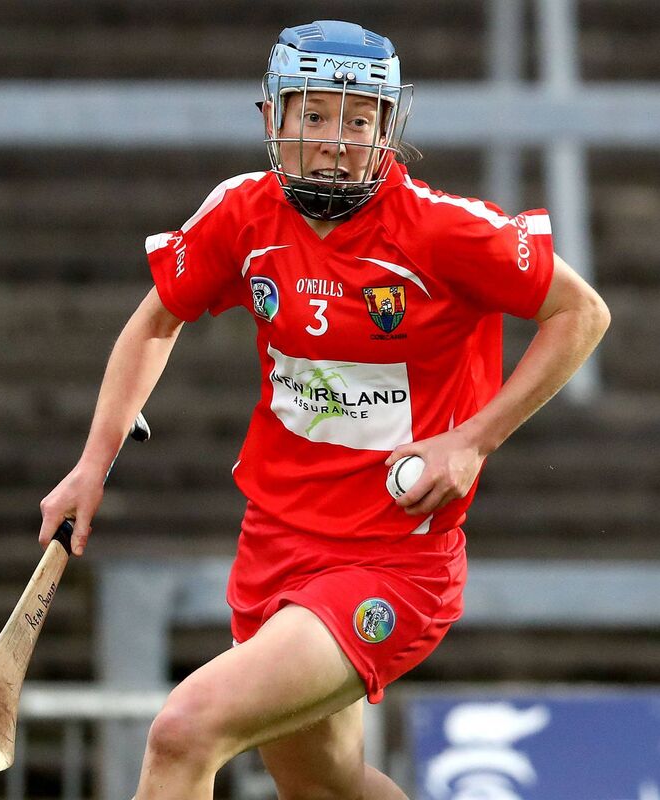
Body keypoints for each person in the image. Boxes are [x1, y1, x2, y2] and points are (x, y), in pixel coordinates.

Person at [39, 20, 610, 800]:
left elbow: (581, 314)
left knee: (185, 731)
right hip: (273, 546)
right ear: (274, 118)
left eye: (358, 118)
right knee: (327, 785)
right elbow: (153, 322)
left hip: (393, 561)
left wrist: (473, 440)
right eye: (314, 115)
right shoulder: (241, 214)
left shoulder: (442, 231)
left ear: (387, 128)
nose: (336, 140)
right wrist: (89, 465)